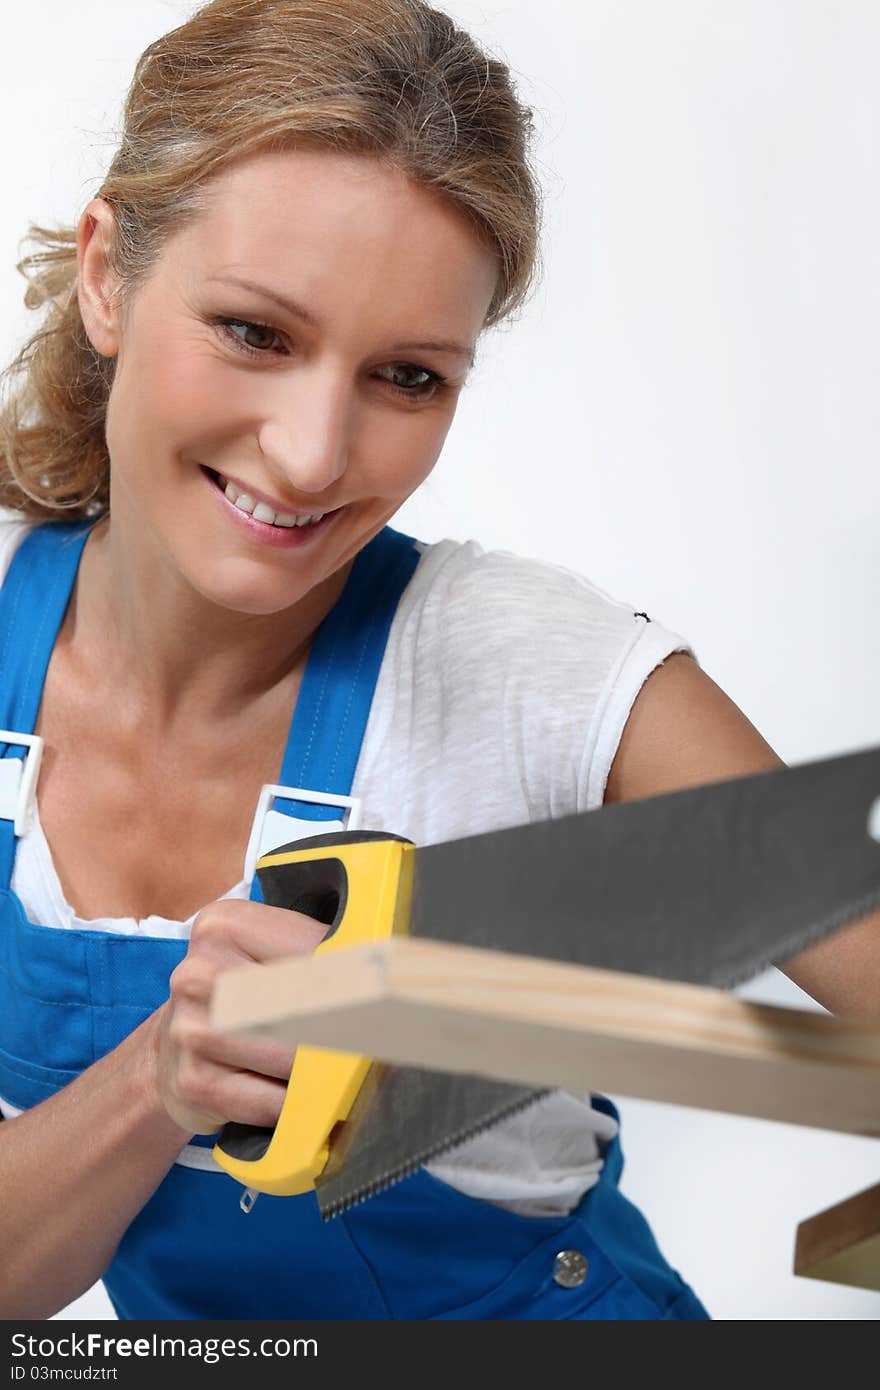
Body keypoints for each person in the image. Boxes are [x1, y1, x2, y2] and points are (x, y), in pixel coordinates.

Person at [0, 0, 875, 1322]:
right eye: (255, 331)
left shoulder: (537, 672)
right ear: (110, 274)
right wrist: (159, 1079)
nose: (311, 454)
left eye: (407, 377)